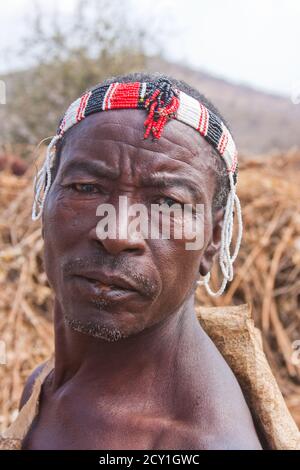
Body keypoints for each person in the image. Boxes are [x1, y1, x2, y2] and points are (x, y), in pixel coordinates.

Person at [17, 73, 261, 449]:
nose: (116, 234)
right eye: (86, 188)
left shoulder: (194, 442)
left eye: (167, 203)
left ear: (212, 239)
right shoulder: (53, 382)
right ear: (45, 196)